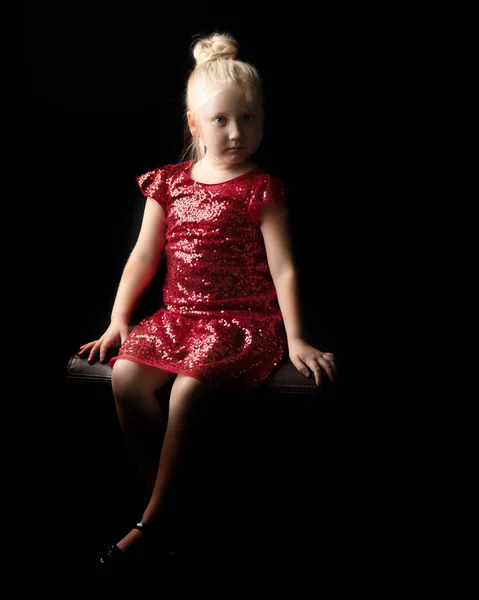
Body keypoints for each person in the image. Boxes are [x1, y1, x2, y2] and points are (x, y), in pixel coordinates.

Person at [78, 31, 337, 575]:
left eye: (249, 119)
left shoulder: (261, 188)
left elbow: (284, 267)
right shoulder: (168, 183)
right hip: (180, 317)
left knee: (189, 390)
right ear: (195, 124)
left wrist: (297, 338)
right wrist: (118, 319)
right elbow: (142, 257)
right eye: (221, 120)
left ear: (262, 119)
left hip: (241, 321)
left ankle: (150, 527)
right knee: (126, 379)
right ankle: (170, 512)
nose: (237, 132)